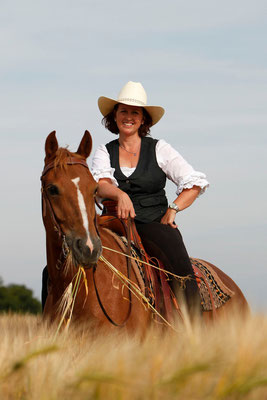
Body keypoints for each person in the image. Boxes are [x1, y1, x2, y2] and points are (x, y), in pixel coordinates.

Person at [91, 81, 209, 316]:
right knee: (64, 261)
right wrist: (120, 194)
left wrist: (173, 209)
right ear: (114, 116)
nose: (128, 116)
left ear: (143, 119)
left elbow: (194, 183)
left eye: (135, 112)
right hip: (112, 224)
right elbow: (100, 185)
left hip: (153, 222)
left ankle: (194, 327)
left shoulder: (159, 148)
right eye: (123, 110)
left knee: (180, 267)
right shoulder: (105, 150)